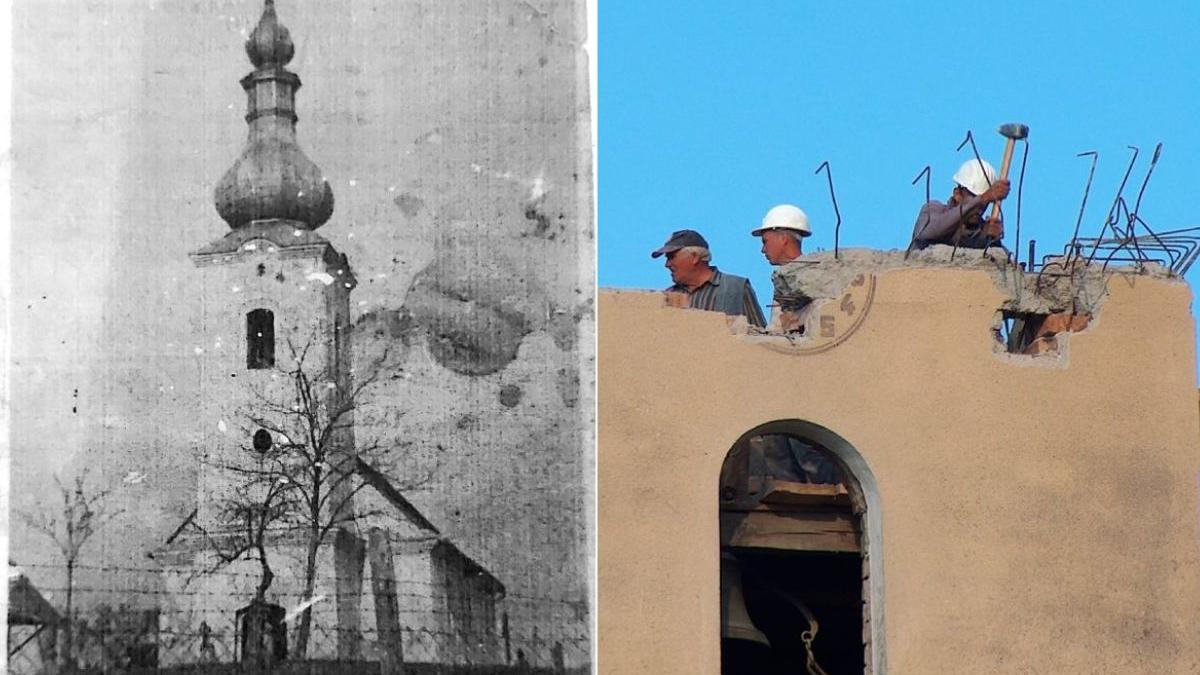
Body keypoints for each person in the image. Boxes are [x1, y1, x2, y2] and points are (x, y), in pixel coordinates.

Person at [651, 229, 766, 328]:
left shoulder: (736, 288)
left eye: (671, 257)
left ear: (694, 257)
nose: (667, 264)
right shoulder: (668, 296)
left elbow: (761, 337)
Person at [911, 159, 1011, 250]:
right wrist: (982, 199)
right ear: (957, 194)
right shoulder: (932, 209)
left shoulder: (981, 230)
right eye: (973, 197)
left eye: (985, 203)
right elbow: (930, 232)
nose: (980, 209)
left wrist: (990, 240)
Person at [750, 204, 813, 333]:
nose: (763, 250)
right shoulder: (783, 279)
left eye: (765, 241)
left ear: (783, 238)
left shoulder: (810, 276)